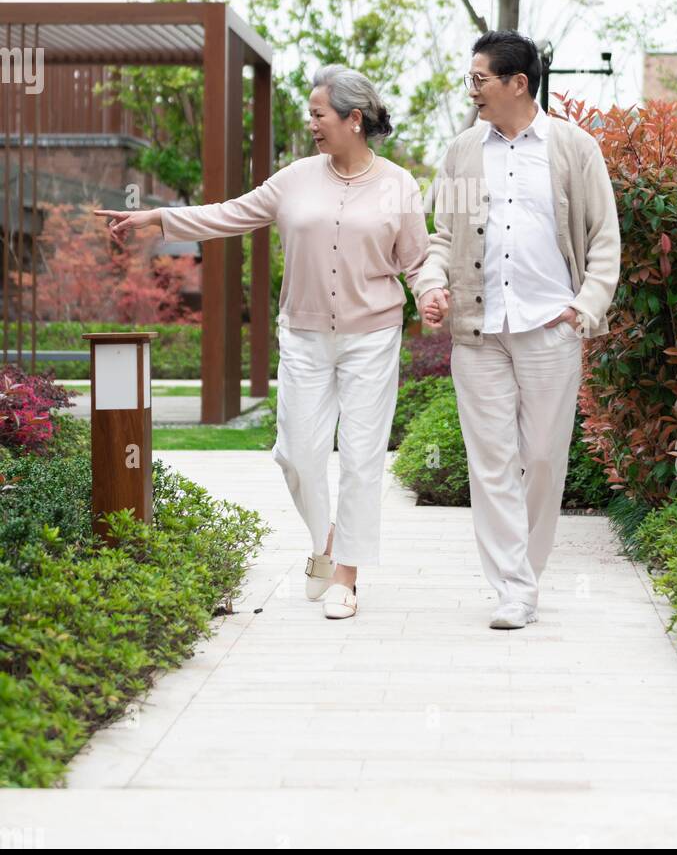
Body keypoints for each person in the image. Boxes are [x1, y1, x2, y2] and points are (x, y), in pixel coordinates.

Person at [94, 65, 430, 621]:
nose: (312, 124)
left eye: (319, 114)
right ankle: (325, 540)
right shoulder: (296, 177)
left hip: (372, 335)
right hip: (303, 334)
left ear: (353, 118)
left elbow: (415, 262)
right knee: (296, 454)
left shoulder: (398, 184)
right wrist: (158, 219)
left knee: (363, 457)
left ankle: (346, 572)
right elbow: (230, 214)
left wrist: (432, 292)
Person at [413, 31, 621, 629]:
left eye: (479, 79)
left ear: (518, 83)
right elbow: (443, 238)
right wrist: (430, 285)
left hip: (549, 327)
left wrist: (585, 306)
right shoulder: (459, 153)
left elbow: (604, 239)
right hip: (478, 332)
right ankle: (512, 586)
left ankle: (525, 572)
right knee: (492, 460)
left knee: (544, 457)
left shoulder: (574, 148)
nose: (471, 89)